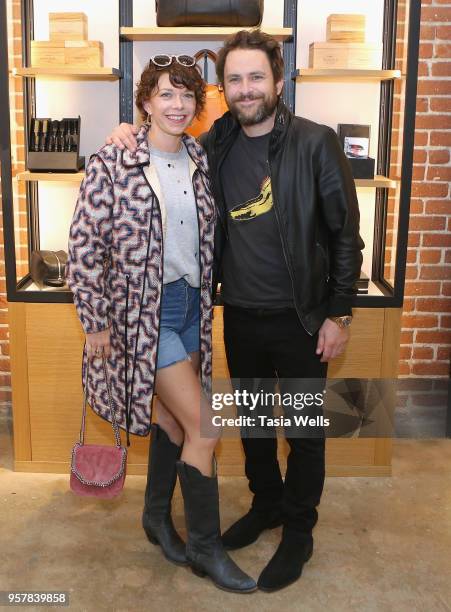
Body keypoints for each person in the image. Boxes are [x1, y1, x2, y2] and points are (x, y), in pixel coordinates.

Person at [106, 30, 364, 593]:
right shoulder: (215, 140)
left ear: (278, 80)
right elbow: (160, 145)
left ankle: (298, 531)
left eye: (256, 77)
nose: (246, 90)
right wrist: (128, 131)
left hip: (302, 317)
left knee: (302, 431)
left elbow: (347, 235)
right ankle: (266, 504)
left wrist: (338, 314)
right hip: (239, 314)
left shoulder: (317, 143)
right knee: (249, 428)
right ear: (223, 91)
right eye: (235, 80)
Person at [66, 54, 257, 594]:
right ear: (145, 101)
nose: (177, 105)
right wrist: (96, 322)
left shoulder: (198, 154)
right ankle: (205, 548)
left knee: (175, 425)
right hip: (140, 315)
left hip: (192, 308)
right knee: (204, 428)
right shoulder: (113, 161)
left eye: (187, 96)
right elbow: (83, 245)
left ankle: (155, 519)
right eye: (165, 94)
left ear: (198, 106)